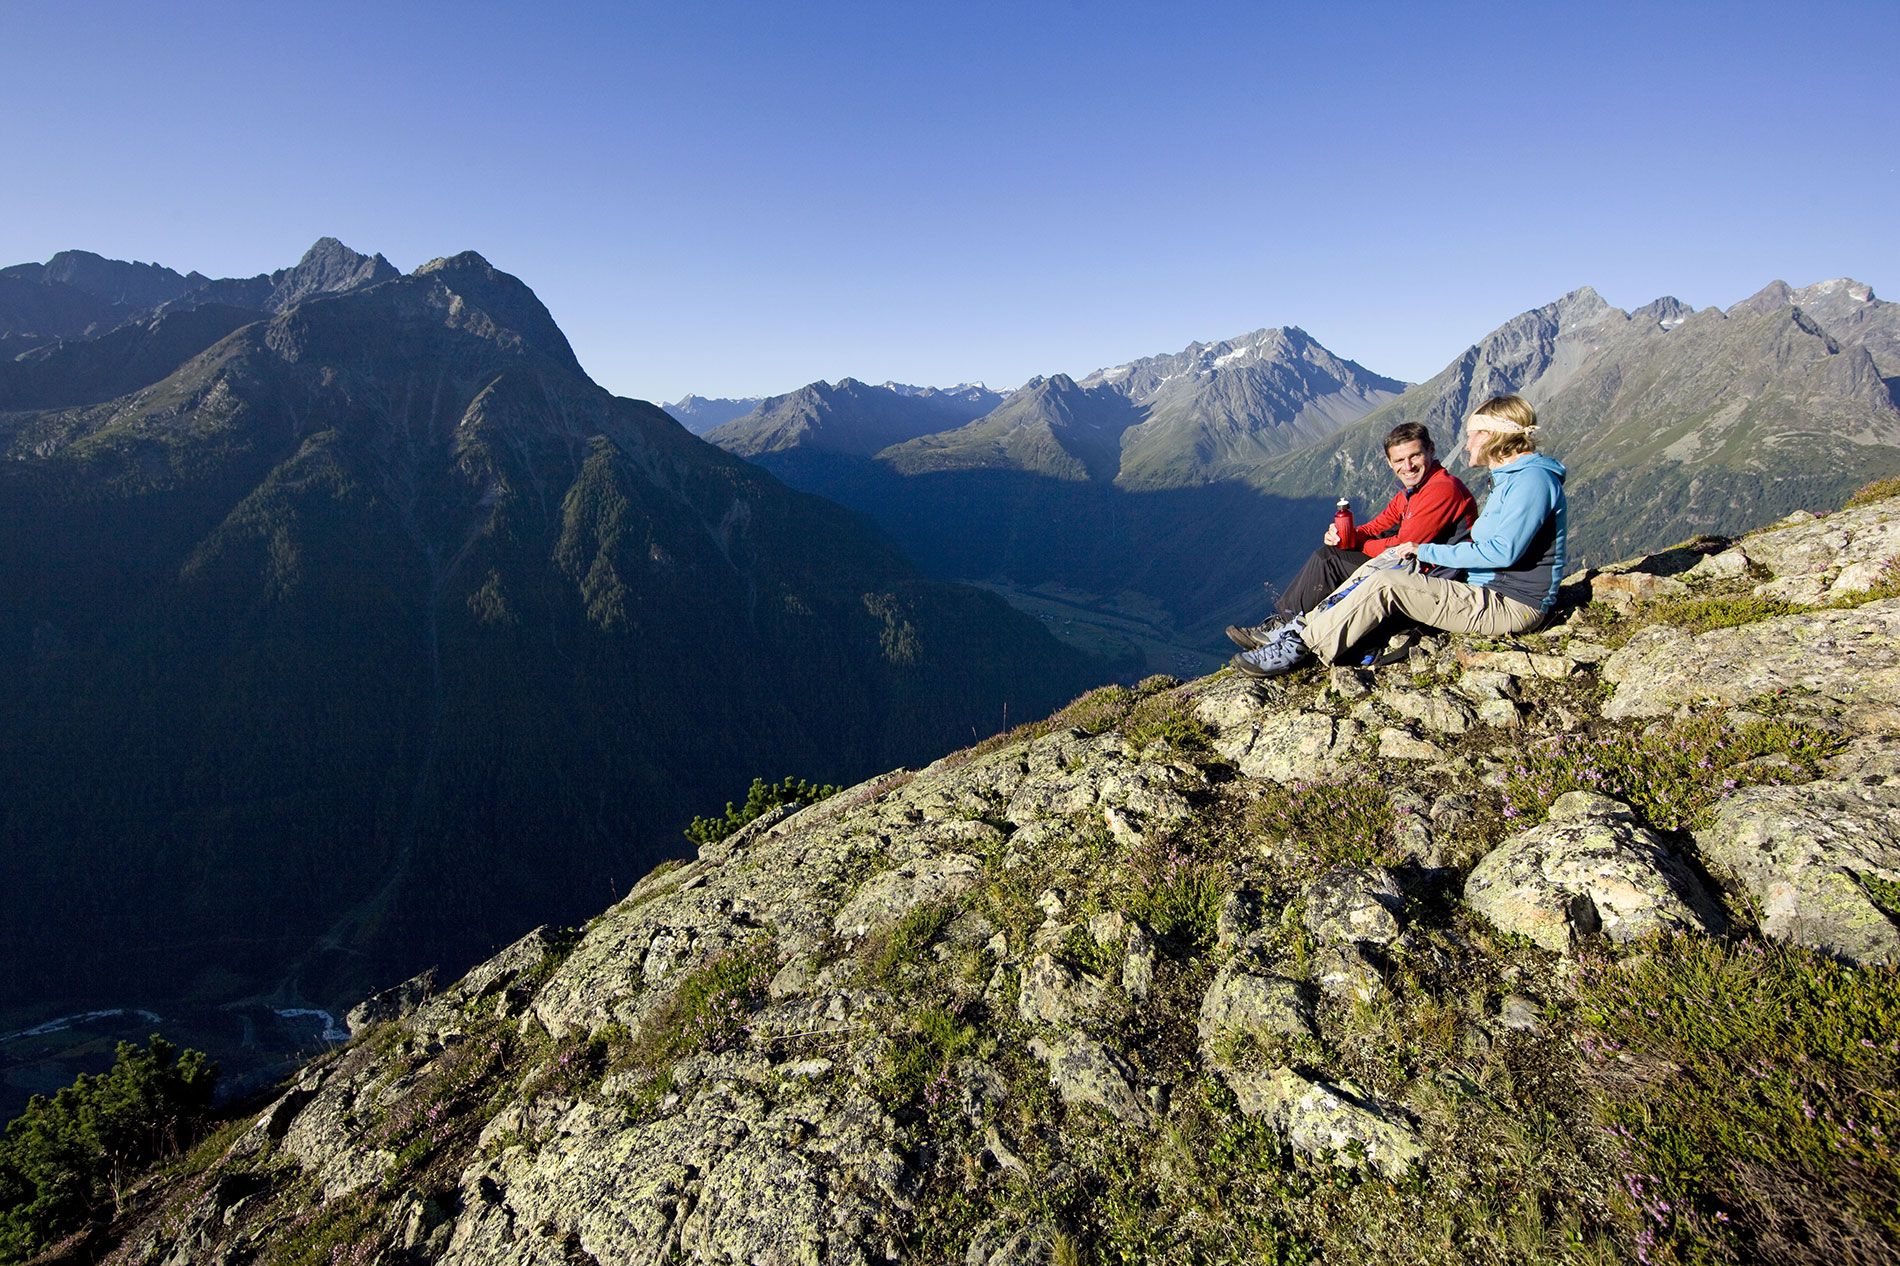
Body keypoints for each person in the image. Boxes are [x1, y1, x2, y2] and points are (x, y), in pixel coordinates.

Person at [1229, 394, 1566, 679]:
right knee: (1371, 571)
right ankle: (1297, 631)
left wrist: (1427, 551)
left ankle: (1300, 647)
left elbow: (1502, 553)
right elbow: (1384, 527)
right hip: (1483, 591)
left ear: (1495, 435)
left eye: (1473, 434)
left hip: (1510, 605)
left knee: (1387, 581)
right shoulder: (1512, 479)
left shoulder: (1531, 481)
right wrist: (1352, 538)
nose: (1467, 444)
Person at [1225, 421, 1476, 649]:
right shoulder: (1413, 491)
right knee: (1333, 552)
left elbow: (1401, 548)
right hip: (1416, 569)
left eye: (1415, 456)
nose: (1407, 466)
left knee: (1330, 561)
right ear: (1389, 462)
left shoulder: (1440, 490)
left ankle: (1283, 628)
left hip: (1433, 577)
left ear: (1431, 451)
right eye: (1399, 461)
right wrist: (1344, 536)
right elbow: (1378, 525)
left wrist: (1356, 543)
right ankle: (1288, 626)